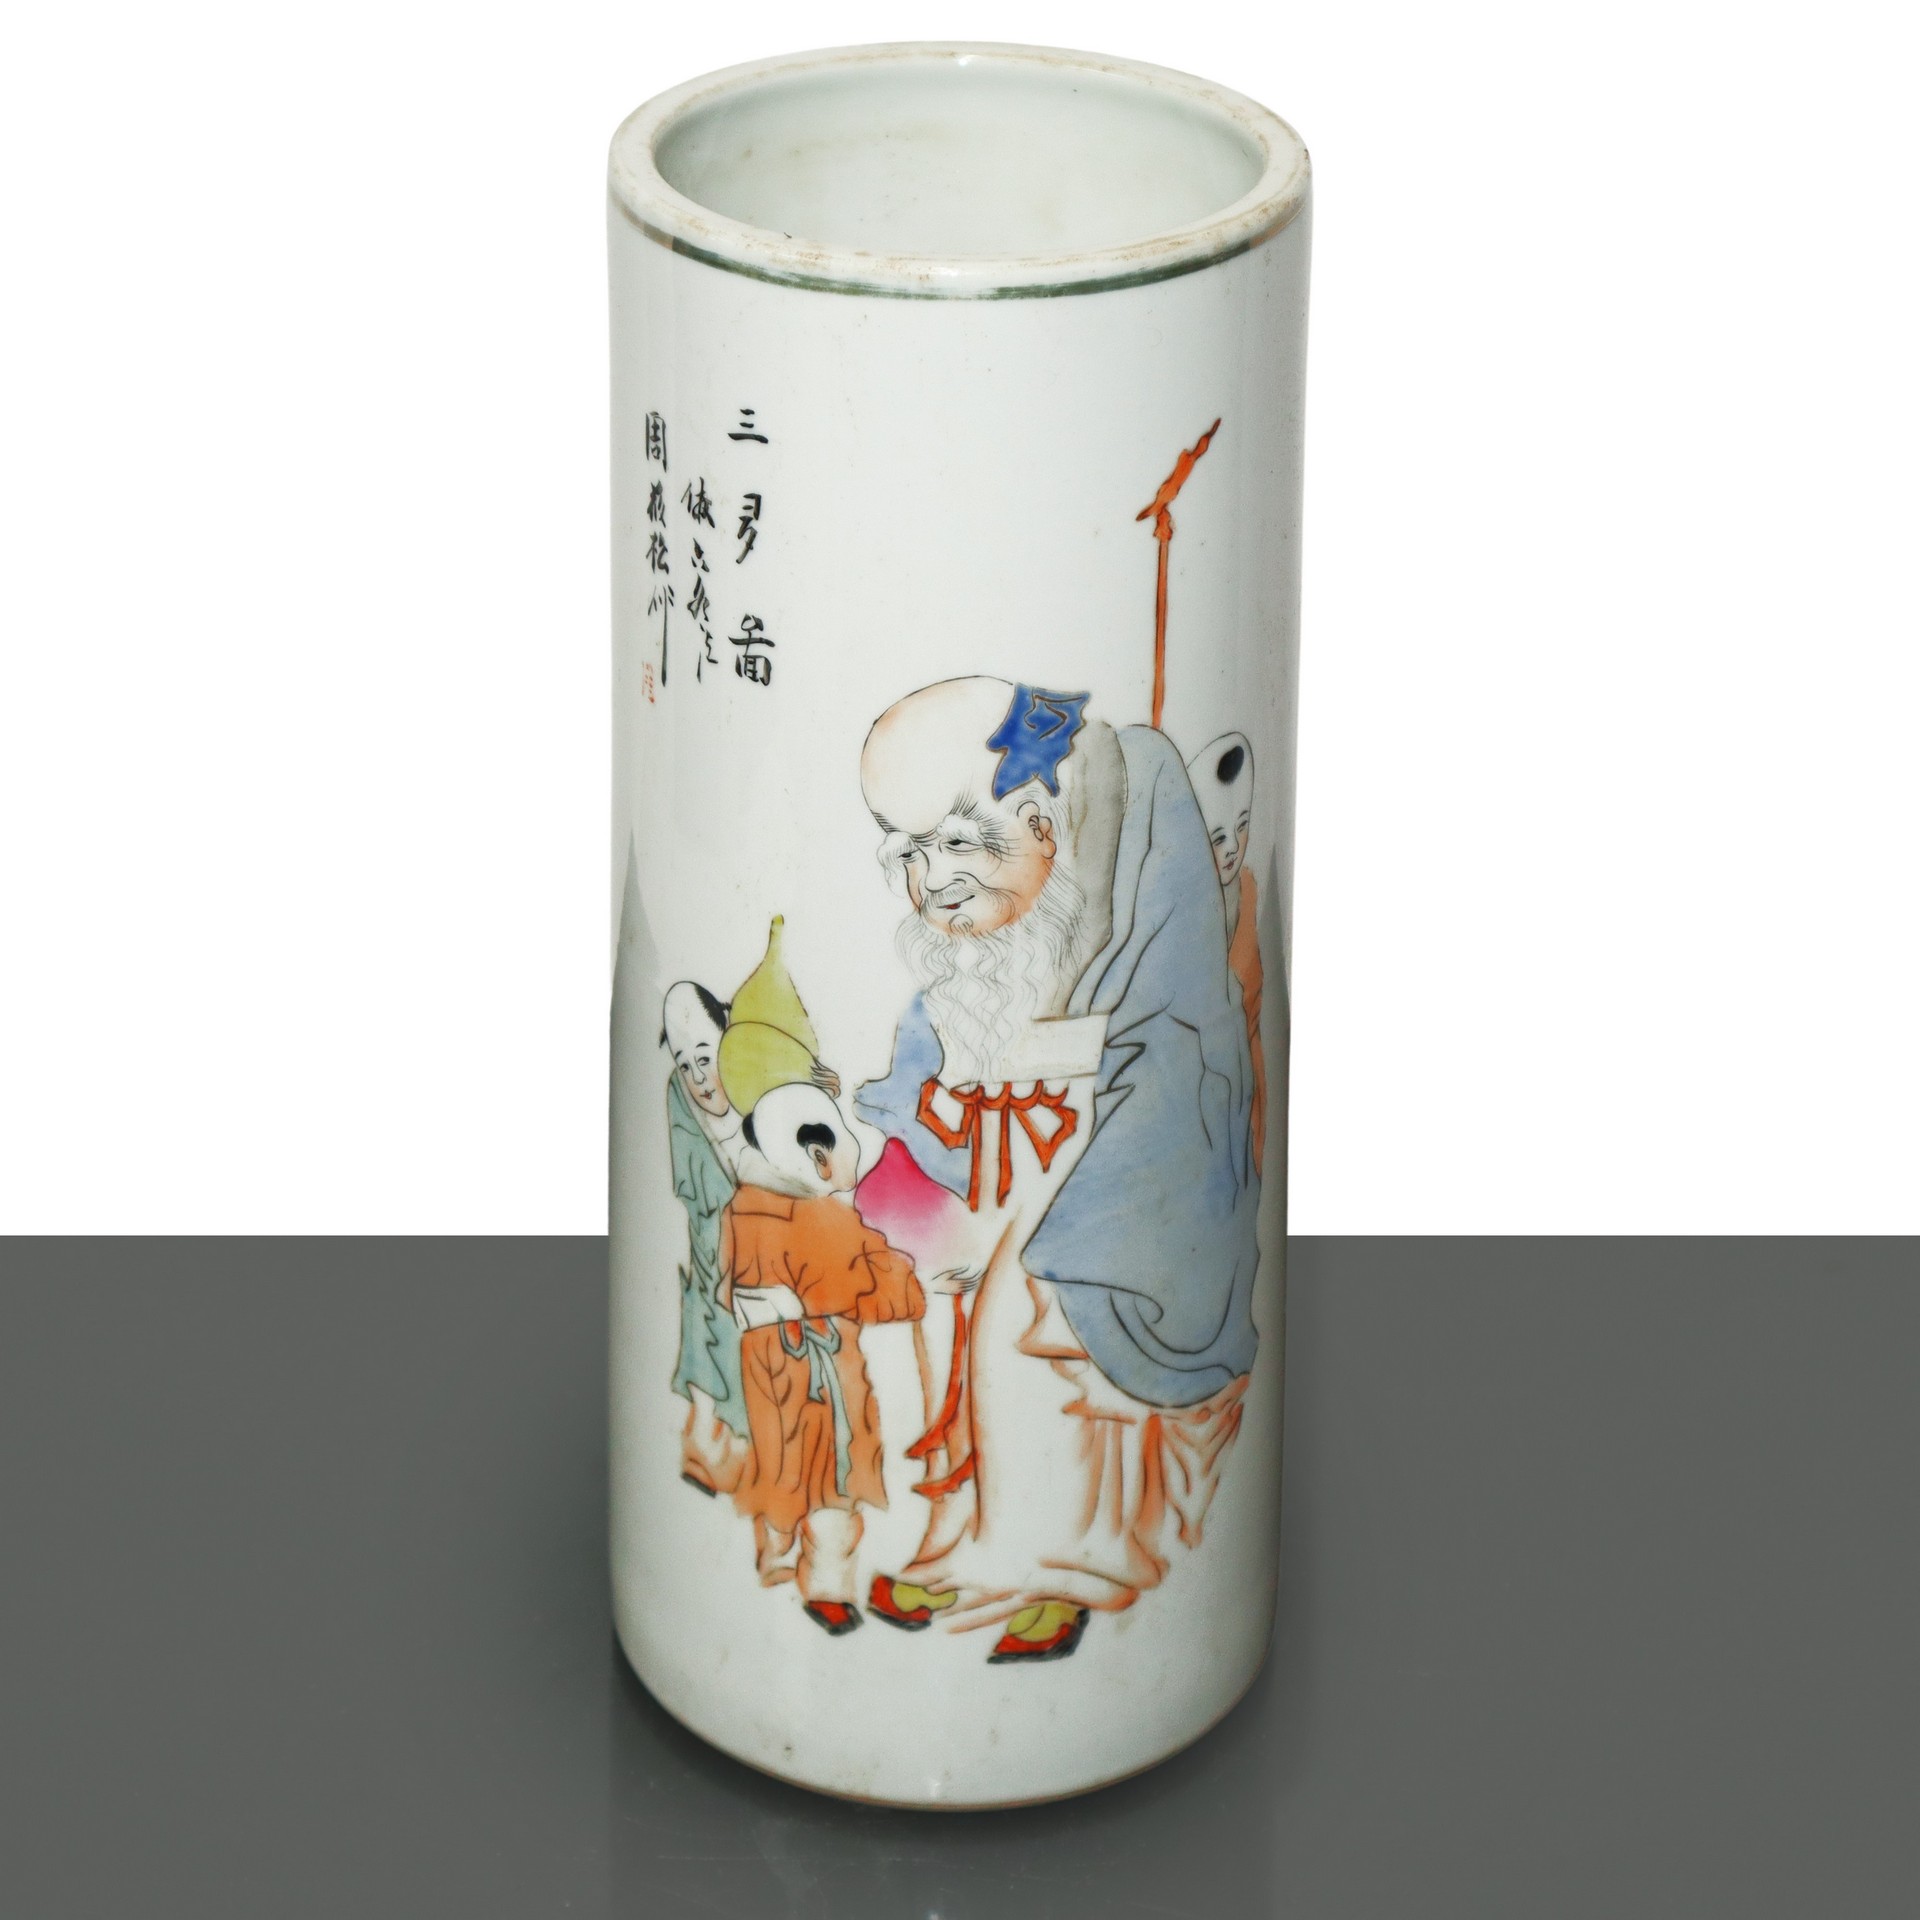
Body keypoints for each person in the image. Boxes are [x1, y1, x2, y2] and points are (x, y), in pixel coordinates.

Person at [854, 677, 1260, 1662]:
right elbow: (926, 1103)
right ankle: (969, 1541)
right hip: (997, 1201)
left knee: (1033, 1319)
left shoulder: (1127, 959)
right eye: (911, 854)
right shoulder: (967, 972)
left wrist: (1070, 1214)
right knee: (944, 1318)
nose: (935, 882)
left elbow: (1164, 1102)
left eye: (960, 845)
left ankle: (1070, 1566)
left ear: (1042, 827)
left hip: (1086, 1207)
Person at [719, 1065, 934, 1635]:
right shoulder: (823, 1219)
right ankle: (827, 1588)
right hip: (824, 1372)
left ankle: (773, 1557)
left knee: (780, 1465)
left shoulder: (743, 1207)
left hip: (767, 1365)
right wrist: (903, 1276)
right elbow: (880, 1291)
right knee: (834, 1480)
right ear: (818, 1155)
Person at [661, 980, 749, 1494]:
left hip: (763, 1257)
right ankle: (705, 1452)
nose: (697, 1078)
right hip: (709, 1252)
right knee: (705, 1326)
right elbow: (695, 1191)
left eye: (704, 1058)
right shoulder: (680, 1101)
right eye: (684, 1065)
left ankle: (734, 1457)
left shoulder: (760, 1084)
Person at [1187, 732, 1266, 1167]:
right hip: (1199, 1092)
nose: (1234, 847)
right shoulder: (1179, 912)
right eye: (1217, 838)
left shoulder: (1247, 891)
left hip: (1247, 1076)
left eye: (1243, 824)